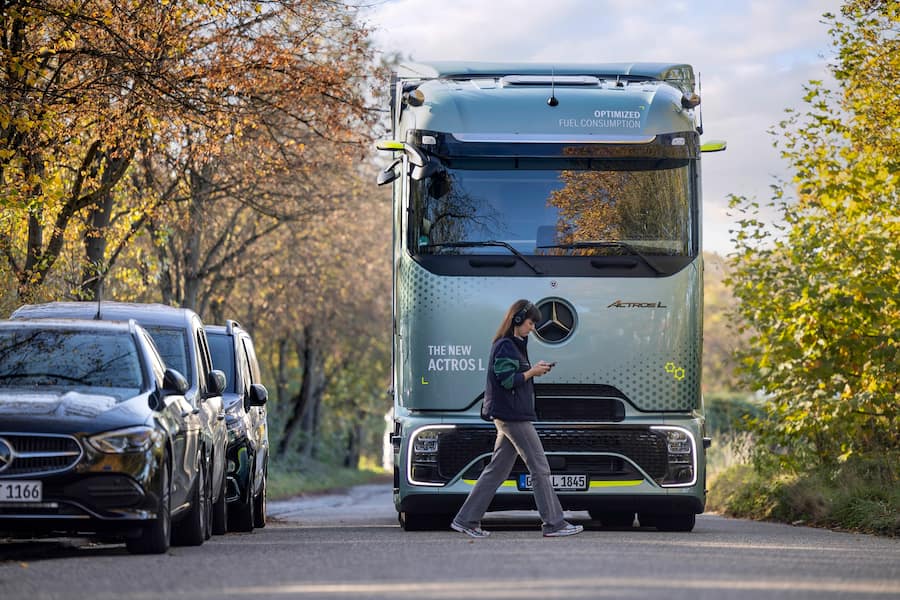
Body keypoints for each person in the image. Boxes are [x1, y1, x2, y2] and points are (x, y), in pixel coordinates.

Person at [450, 299, 584, 538]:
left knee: (497, 471)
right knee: (540, 467)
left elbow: (514, 375)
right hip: (512, 417)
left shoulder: (515, 345)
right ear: (518, 319)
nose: (532, 328)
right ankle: (554, 524)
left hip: (509, 415)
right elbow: (507, 380)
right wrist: (532, 372)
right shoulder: (505, 346)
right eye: (531, 322)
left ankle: (466, 520)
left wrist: (533, 369)